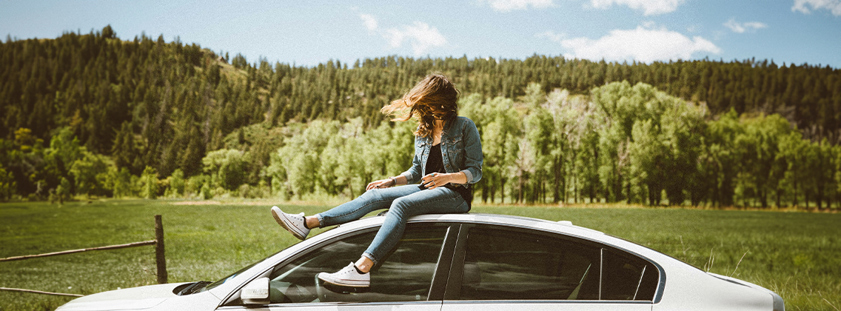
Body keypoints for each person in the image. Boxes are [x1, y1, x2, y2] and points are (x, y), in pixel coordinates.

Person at [271, 73, 482, 289]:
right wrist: (391, 181)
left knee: (401, 205)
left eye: (431, 103)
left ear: (443, 100)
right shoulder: (424, 132)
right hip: (424, 189)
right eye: (425, 104)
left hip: (456, 195)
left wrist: (446, 177)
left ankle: (362, 268)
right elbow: (417, 170)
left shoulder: (464, 126)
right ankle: (307, 223)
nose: (428, 109)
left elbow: (475, 171)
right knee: (374, 195)